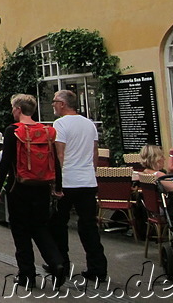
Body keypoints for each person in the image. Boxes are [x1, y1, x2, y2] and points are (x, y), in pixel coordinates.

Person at [0, 94, 64, 289]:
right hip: (42, 187)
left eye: (13, 108)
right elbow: (55, 161)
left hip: (19, 187)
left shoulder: (13, 131)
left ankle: (27, 275)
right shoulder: (46, 131)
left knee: (21, 232)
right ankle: (57, 262)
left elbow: (6, 162)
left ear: (17, 109)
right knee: (40, 227)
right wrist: (58, 187)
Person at [47, 89, 108, 283]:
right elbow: (95, 152)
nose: (53, 105)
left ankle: (61, 264)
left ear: (63, 104)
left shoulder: (60, 124)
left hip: (68, 181)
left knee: (58, 224)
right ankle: (97, 267)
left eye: (55, 101)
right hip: (87, 181)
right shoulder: (89, 124)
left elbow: (60, 154)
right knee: (88, 225)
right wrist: (92, 172)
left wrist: (57, 182)